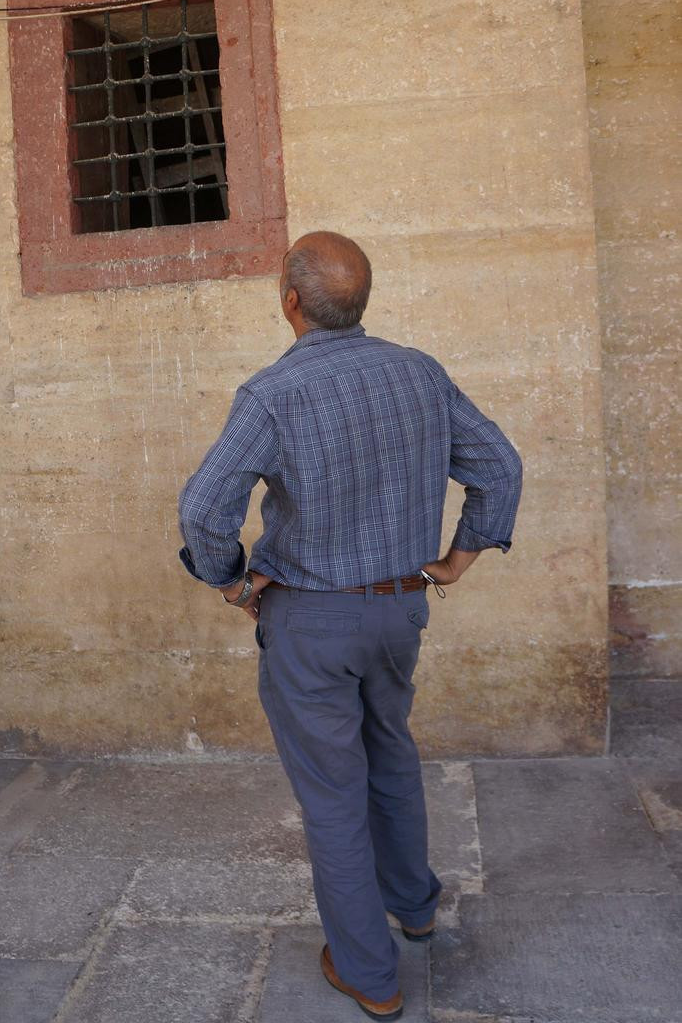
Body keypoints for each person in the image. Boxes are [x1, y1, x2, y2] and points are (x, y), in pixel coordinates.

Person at [177, 230, 523, 1021]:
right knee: (390, 753)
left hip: (312, 623)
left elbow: (203, 509)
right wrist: (458, 561)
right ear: (358, 302)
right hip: (399, 611)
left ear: (290, 302)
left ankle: (370, 973)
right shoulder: (420, 373)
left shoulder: (273, 393)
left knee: (334, 793)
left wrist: (230, 581)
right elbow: (499, 465)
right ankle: (416, 905)